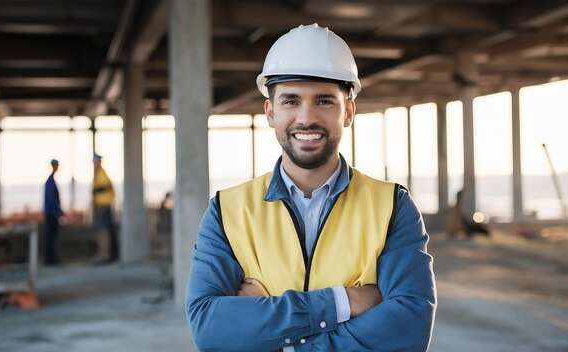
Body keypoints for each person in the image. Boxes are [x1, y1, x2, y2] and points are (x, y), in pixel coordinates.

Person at [186, 24, 436, 351]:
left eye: (324, 102)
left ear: (347, 111)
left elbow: (408, 329)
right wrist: (342, 302)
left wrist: (280, 339)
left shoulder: (392, 206)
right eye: (291, 101)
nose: (307, 118)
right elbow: (209, 329)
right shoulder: (227, 210)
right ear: (270, 112)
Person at [92, 153, 118, 261]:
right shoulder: (99, 173)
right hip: (102, 206)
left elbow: (105, 187)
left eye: (96, 162)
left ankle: (104, 255)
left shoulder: (101, 174)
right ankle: (104, 254)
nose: (94, 164)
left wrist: (97, 192)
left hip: (103, 207)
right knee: (103, 230)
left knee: (103, 231)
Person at [43, 159, 64, 265]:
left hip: (51, 213)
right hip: (51, 214)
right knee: (51, 237)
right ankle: (50, 259)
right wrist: (58, 211)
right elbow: (52, 200)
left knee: (51, 237)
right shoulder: (50, 182)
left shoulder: (50, 181)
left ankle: (51, 259)